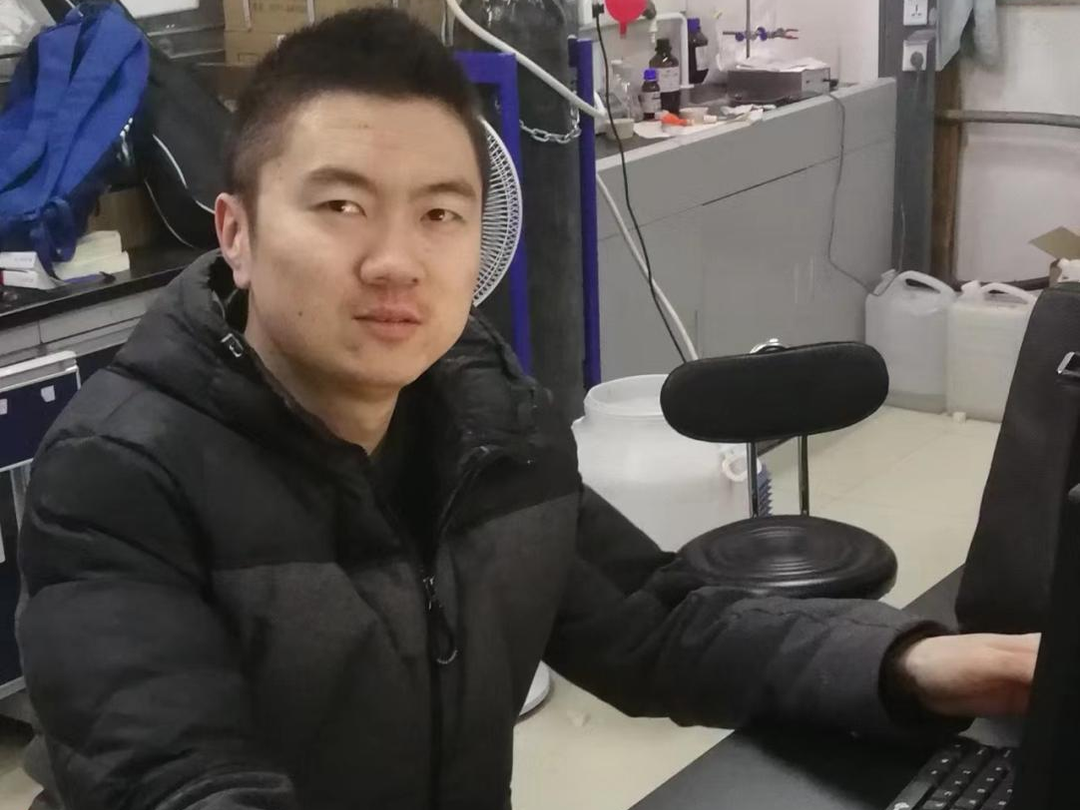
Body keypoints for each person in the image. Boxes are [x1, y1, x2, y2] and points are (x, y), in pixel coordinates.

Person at [17, 9, 1038, 810]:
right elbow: (176, 782)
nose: (395, 260)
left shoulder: (485, 425)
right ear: (234, 233)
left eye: (440, 213)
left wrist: (921, 664)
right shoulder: (118, 475)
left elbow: (657, 627)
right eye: (340, 206)